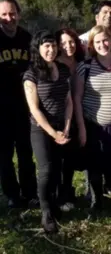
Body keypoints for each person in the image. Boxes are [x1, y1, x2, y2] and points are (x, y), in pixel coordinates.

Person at [74, 25, 111, 210]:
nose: (102, 44)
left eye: (105, 40)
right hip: (92, 124)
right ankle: (96, 201)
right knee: (94, 165)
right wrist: (82, 128)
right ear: (92, 44)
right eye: (98, 41)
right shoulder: (85, 67)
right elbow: (77, 98)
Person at [23, 30, 73, 233]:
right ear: (38, 48)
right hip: (41, 129)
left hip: (63, 127)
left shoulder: (62, 69)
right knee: (46, 170)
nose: (51, 49)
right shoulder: (31, 74)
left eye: (53, 45)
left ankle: (54, 203)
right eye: (46, 46)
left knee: (58, 168)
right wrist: (53, 133)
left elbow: (68, 101)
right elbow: (34, 109)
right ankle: (46, 212)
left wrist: (67, 128)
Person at [0, 0, 37, 208]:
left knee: (25, 153)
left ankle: (30, 192)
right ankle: (12, 195)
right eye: (3, 14)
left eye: (12, 13)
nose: (8, 18)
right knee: (4, 157)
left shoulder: (27, 39)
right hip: (1, 109)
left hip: (24, 108)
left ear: (19, 14)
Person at [55, 28, 85, 212]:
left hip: (79, 113)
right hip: (61, 115)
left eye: (71, 41)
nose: (68, 46)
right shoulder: (55, 64)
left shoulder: (81, 62)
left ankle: (68, 189)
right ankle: (60, 195)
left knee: (71, 158)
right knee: (59, 158)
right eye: (64, 43)